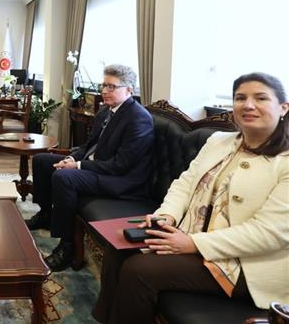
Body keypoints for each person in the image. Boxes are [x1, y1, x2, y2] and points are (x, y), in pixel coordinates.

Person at [93, 72, 289, 324]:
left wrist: (192, 243)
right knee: (119, 247)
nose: (248, 105)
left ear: (283, 107)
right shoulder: (219, 142)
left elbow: (269, 233)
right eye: (240, 98)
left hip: (247, 264)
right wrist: (167, 216)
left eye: (260, 98)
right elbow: (184, 184)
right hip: (190, 232)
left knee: (139, 269)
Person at [26, 64, 154, 271]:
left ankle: (67, 246)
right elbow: (88, 147)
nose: (104, 90)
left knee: (64, 177)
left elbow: (120, 165)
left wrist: (77, 165)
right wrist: (71, 157)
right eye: (104, 85)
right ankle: (46, 215)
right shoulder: (105, 112)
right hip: (98, 165)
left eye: (111, 86)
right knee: (41, 160)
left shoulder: (138, 118)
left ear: (129, 90)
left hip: (121, 180)